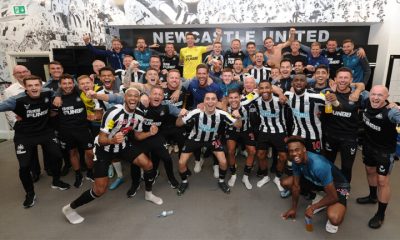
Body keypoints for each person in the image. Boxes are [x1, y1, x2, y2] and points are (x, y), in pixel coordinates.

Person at [62, 88, 163, 224]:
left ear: (139, 99)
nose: (133, 98)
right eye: (130, 96)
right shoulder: (113, 113)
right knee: (100, 189)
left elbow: (138, 136)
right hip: (104, 148)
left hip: (121, 146)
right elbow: (102, 138)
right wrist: (112, 140)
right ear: (124, 98)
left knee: (148, 164)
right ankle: (69, 208)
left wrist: (150, 133)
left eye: (136, 96)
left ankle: (149, 193)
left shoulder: (139, 115)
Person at [0, 75, 70, 208]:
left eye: (36, 85)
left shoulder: (48, 92)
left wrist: (57, 96)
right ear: (25, 88)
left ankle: (56, 181)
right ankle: (30, 193)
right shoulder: (16, 100)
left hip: (45, 132)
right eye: (30, 86)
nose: (34, 88)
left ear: (41, 86)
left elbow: (58, 91)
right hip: (24, 136)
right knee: (24, 166)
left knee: (57, 155)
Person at [175, 91, 242, 195]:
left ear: (217, 101)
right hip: (195, 139)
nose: (210, 101)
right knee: (181, 163)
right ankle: (184, 181)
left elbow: (238, 126)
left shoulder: (222, 114)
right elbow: (178, 124)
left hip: (213, 140)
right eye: (208, 99)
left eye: (213, 99)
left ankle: (221, 181)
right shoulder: (196, 112)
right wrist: (180, 116)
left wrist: (238, 117)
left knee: (223, 162)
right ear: (204, 101)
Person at [281, 136, 350, 234]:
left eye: (297, 150)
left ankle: (324, 201)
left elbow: (334, 196)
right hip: (319, 182)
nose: (294, 154)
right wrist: (293, 208)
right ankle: (320, 198)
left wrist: (313, 207)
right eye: (291, 151)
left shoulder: (318, 165)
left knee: (335, 219)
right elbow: (296, 186)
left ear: (304, 149)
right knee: (286, 183)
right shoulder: (296, 160)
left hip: (338, 186)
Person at [356, 85, 400, 229]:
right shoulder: (367, 99)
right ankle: (372, 196)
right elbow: (358, 86)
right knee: (369, 171)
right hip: (368, 147)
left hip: (385, 152)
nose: (375, 97)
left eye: (380, 95)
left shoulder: (392, 112)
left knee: (382, 181)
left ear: (387, 97)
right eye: (373, 94)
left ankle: (381, 214)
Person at [323, 67, 365, 183]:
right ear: (335, 79)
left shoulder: (359, 96)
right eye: (340, 77)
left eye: (346, 78)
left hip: (349, 138)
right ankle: (329, 190)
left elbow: (377, 101)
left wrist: (390, 104)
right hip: (331, 135)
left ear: (351, 80)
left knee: (346, 167)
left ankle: (343, 194)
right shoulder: (327, 93)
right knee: (328, 165)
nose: (342, 80)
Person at [4, 65, 42, 182]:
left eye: (24, 71)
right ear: (14, 75)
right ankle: (35, 171)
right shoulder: (9, 91)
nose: (22, 74)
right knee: (31, 151)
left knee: (47, 148)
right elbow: (8, 110)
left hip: (41, 123)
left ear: (29, 72)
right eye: (18, 73)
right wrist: (15, 123)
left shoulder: (42, 84)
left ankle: (50, 169)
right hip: (25, 127)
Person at [56, 74, 95, 188]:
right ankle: (78, 174)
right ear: (60, 85)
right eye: (64, 83)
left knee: (90, 153)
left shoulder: (80, 93)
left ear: (74, 84)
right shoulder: (57, 97)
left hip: (83, 129)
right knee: (72, 153)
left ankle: (90, 171)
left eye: (70, 83)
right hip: (66, 131)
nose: (67, 86)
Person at [253, 81, 290, 197]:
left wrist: (280, 93)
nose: (264, 90)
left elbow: (290, 103)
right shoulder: (256, 101)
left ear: (271, 89)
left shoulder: (280, 100)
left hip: (279, 131)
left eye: (267, 88)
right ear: (258, 90)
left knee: (283, 157)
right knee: (260, 154)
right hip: (264, 130)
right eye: (262, 88)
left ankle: (277, 178)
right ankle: (265, 176)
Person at [225, 89, 256, 190]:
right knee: (230, 151)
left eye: (236, 97)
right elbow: (210, 102)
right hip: (231, 131)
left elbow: (258, 91)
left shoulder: (246, 101)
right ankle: (233, 174)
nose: (233, 100)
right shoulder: (224, 107)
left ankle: (246, 176)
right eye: (231, 98)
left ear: (240, 98)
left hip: (246, 130)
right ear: (228, 99)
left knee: (252, 151)